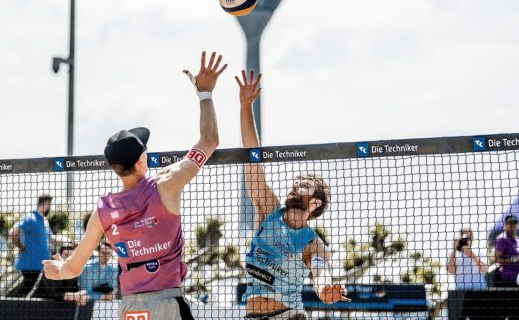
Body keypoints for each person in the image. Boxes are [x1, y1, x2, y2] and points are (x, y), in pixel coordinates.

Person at [43, 50, 228, 320]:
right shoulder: (167, 184)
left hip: (129, 308)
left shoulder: (103, 211)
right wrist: (205, 93)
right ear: (142, 160)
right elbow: (209, 140)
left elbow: (72, 269)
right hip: (167, 302)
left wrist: (56, 269)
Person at [236, 70, 349, 319]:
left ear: (315, 202)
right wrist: (246, 107)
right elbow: (252, 161)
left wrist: (325, 290)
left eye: (304, 184)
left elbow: (320, 273)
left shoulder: (313, 243)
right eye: (296, 181)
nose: (295, 184)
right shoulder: (269, 210)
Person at [9, 192, 57, 298]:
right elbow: (13, 232)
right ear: (47, 204)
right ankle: (7, 302)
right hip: (30, 264)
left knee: (32, 290)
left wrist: (70, 242)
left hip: (41, 264)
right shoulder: (30, 218)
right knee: (29, 288)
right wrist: (21, 247)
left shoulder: (44, 221)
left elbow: (51, 238)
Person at [32, 241, 87, 305]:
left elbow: (74, 290)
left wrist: (80, 297)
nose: (68, 258)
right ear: (60, 255)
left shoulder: (73, 270)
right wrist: (73, 296)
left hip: (58, 307)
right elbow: (51, 293)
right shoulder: (51, 267)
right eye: (66, 255)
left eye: (71, 256)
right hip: (36, 304)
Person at [446, 226, 489, 290]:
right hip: (462, 292)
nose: (467, 241)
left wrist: (471, 254)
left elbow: (485, 270)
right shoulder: (454, 253)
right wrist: (454, 249)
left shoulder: (479, 251)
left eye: (469, 238)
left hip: (480, 290)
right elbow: (451, 271)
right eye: (465, 238)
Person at [494, 214, 519, 287]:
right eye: (510, 223)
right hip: (506, 279)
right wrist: (515, 259)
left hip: (518, 278)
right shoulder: (502, 239)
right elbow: (497, 259)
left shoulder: (518, 239)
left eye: (514, 223)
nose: (512, 225)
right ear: (505, 225)